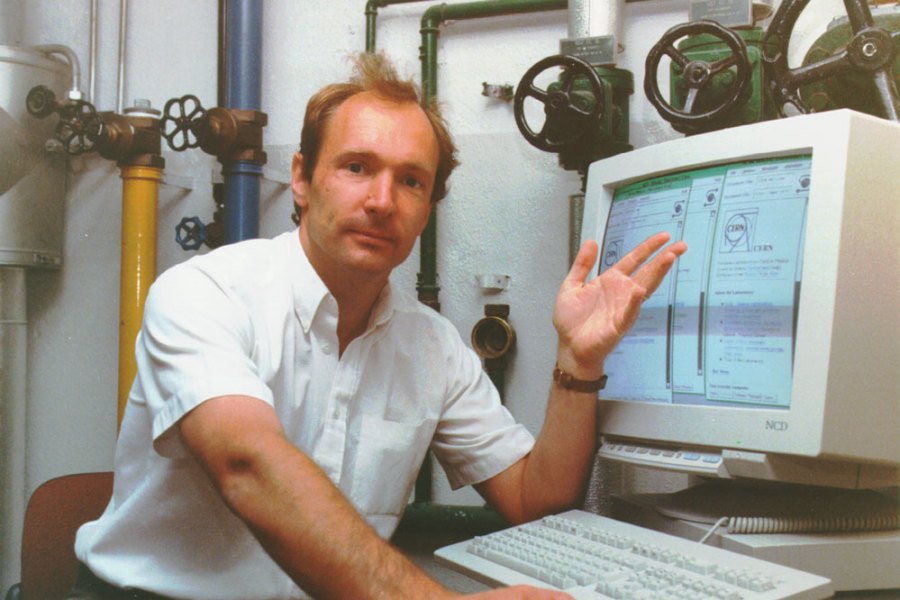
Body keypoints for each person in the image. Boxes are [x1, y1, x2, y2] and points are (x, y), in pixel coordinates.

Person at [70, 53, 687, 600]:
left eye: (411, 180)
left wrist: (577, 363)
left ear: (428, 207)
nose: (382, 200)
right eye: (357, 167)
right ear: (304, 180)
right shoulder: (205, 293)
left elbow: (534, 498)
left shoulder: (432, 346)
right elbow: (247, 464)